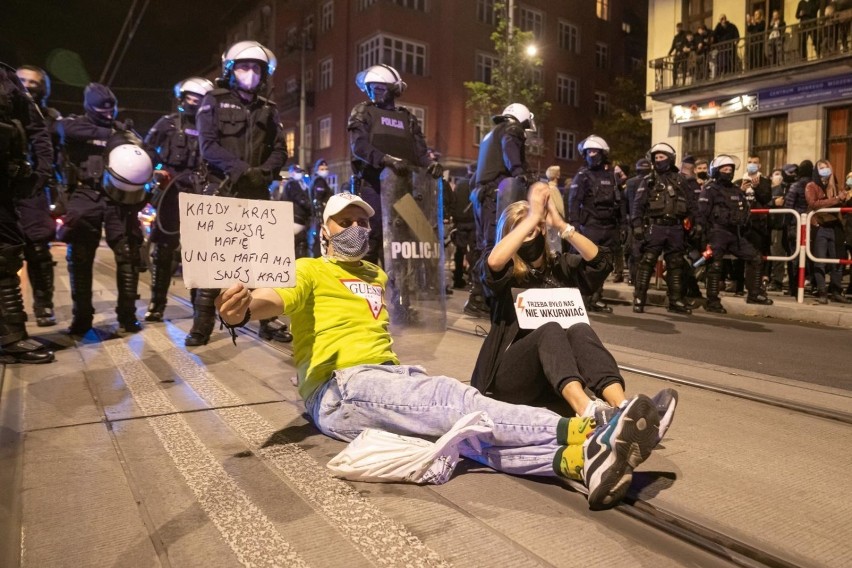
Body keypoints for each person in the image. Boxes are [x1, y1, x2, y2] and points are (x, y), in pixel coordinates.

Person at [216, 192, 665, 511]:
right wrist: (242, 310)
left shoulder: (375, 275)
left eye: (362, 222)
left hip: (388, 376)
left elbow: (596, 263)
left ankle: (583, 462)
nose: (356, 229)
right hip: (342, 387)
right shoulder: (309, 268)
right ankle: (587, 431)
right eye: (345, 222)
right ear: (324, 232)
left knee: (464, 439)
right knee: (459, 402)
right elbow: (271, 300)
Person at [190, 40, 287, 346]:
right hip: (223, 189)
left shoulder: (268, 110)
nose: (250, 73)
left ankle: (267, 321)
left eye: (256, 68)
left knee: (264, 263)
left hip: (258, 191)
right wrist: (241, 170)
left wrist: (264, 173)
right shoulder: (214, 101)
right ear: (231, 70)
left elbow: (280, 149)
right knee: (213, 266)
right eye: (244, 67)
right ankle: (201, 326)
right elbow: (208, 145)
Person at [54, 83, 152, 334]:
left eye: (112, 110)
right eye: (102, 110)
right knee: (80, 257)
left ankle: (128, 316)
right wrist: (106, 133)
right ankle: (82, 317)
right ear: (89, 107)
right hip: (85, 193)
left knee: (128, 256)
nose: (108, 115)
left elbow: (141, 150)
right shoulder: (75, 125)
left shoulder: (122, 131)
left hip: (118, 198)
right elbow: (59, 128)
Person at [348, 63, 441, 265]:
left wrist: (431, 165)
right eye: (371, 88)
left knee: (403, 242)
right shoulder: (363, 111)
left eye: (380, 88)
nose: (374, 93)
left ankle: (402, 295)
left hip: (403, 188)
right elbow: (359, 146)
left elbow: (420, 152)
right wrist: (386, 160)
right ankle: (368, 290)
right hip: (373, 186)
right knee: (370, 240)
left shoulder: (406, 118)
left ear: (393, 90)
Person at [142, 76, 214, 322]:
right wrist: (155, 170)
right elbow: (146, 149)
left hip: (200, 193)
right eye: (189, 97)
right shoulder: (168, 123)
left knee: (200, 251)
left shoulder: (211, 128)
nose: (193, 102)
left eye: (198, 98)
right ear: (181, 98)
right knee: (163, 250)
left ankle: (200, 306)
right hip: (171, 191)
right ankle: (157, 303)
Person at [0, 62, 55, 363]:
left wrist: (41, 176)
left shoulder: (5, 78)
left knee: (8, 256)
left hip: (6, 184)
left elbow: (38, 131)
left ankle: (12, 337)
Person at [467, 103, 534, 318]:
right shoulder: (511, 130)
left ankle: (478, 295)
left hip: (482, 194)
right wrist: (519, 172)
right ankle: (486, 299)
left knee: (483, 246)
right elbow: (510, 149)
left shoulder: (490, 134)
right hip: (495, 195)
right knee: (493, 245)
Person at [696, 154, 774, 313]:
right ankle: (712, 300)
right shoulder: (710, 189)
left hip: (734, 234)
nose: (728, 171)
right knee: (716, 265)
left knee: (755, 258)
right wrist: (704, 238)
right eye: (724, 168)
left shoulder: (736, 190)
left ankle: (754, 293)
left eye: (730, 168)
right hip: (716, 232)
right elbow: (702, 214)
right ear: (717, 170)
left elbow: (745, 210)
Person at [15, 65, 60, 327]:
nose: (27, 86)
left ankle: (44, 305)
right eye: (21, 81)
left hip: (33, 189)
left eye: (33, 82)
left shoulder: (52, 117)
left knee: (39, 250)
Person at [631, 143, 696, 314]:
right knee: (647, 262)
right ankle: (639, 299)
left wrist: (697, 224)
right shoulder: (648, 180)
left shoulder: (681, 180)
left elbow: (692, 205)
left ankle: (675, 300)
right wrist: (637, 226)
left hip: (675, 228)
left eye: (662, 157)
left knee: (676, 264)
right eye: (656, 157)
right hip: (655, 226)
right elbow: (637, 206)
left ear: (671, 158)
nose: (659, 160)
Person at [567, 135, 620, 313]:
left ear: (603, 153)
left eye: (595, 151)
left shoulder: (611, 176)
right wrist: (574, 226)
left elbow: (619, 202)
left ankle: (596, 298)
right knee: (586, 263)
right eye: (589, 151)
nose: (592, 154)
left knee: (604, 264)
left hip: (609, 227)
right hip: (590, 226)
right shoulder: (582, 176)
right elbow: (573, 202)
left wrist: (623, 226)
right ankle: (581, 299)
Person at [805, 159, 852, 303]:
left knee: (837, 261)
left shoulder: (834, 186)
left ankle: (836, 291)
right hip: (820, 227)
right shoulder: (811, 186)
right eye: (821, 168)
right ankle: (822, 292)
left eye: (827, 167)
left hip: (835, 227)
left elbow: (841, 204)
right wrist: (836, 199)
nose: (825, 170)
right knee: (819, 261)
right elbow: (813, 204)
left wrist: (844, 197)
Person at [785, 160, 814, 297]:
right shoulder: (814, 185)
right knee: (809, 256)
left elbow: (788, 206)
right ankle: (808, 284)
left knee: (795, 256)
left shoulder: (795, 186)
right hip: (811, 223)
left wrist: (786, 223)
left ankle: (794, 287)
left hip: (795, 224)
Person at [623, 158, 651, 286]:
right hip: (650, 221)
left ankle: (633, 278)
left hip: (633, 222)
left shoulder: (629, 183)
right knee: (648, 252)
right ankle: (642, 279)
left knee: (634, 252)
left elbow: (624, 203)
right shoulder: (652, 181)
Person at [449, 163, 477, 290]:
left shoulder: (460, 184)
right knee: (474, 251)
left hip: (460, 222)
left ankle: (458, 278)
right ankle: (472, 279)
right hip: (473, 222)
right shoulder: (476, 184)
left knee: (459, 252)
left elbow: (453, 201)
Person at [767, 166, 793, 291]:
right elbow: (766, 204)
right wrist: (774, 203)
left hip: (791, 226)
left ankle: (793, 283)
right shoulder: (774, 190)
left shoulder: (792, 189)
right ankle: (777, 280)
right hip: (777, 226)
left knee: (793, 255)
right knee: (777, 254)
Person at [308, 158, 333, 258]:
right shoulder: (319, 181)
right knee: (320, 241)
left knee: (319, 241)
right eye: (322, 168)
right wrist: (320, 219)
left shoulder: (317, 180)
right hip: (321, 217)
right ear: (317, 169)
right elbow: (317, 200)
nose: (325, 170)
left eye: (326, 168)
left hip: (319, 217)